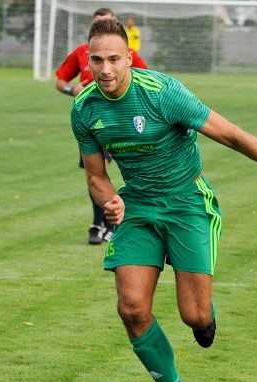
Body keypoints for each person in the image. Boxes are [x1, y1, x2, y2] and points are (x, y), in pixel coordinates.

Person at [71, 18, 257, 382]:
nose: (105, 69)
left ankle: (205, 317)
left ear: (129, 59)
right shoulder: (85, 107)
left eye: (113, 59)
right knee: (131, 308)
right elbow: (95, 175)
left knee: (193, 316)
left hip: (188, 205)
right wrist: (111, 203)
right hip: (138, 208)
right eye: (96, 60)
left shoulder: (163, 93)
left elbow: (232, 135)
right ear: (87, 61)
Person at [55, 7, 148, 245]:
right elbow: (61, 80)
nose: (105, 67)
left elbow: (145, 78)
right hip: (91, 121)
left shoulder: (126, 54)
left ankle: (109, 224)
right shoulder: (80, 53)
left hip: (119, 120)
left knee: (105, 170)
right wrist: (71, 89)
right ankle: (101, 224)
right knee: (95, 173)